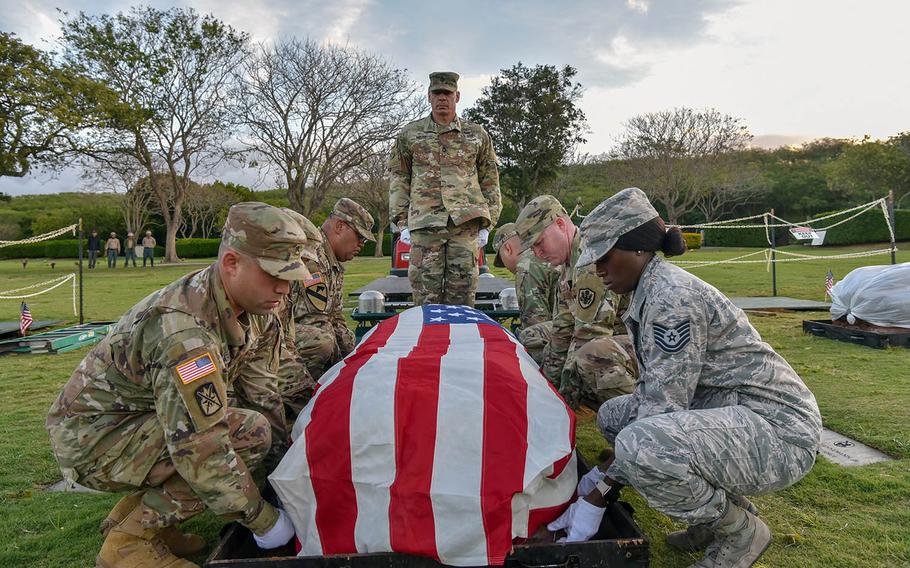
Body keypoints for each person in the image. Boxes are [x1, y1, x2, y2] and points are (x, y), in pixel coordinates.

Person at [550, 187, 822, 568]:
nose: (597, 270)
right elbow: (650, 394)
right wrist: (599, 476)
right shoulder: (650, 288)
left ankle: (739, 531)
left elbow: (662, 409)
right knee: (615, 416)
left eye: (605, 257)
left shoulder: (671, 299)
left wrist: (597, 496)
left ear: (638, 248)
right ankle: (712, 518)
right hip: (736, 412)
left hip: (780, 432)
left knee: (642, 445)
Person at [46, 202, 320, 568]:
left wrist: (280, 477)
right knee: (244, 434)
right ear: (231, 263)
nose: (285, 288)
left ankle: (145, 519)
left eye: (290, 275)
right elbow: (201, 445)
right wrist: (264, 520)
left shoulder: (255, 309)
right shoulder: (184, 333)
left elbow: (263, 395)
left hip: (137, 423)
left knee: (254, 427)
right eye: (274, 274)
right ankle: (128, 542)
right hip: (93, 439)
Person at [389, 71, 501, 307]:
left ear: (457, 96)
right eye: (437, 93)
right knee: (426, 297)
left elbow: (490, 180)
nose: (442, 98)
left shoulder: (477, 135)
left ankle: (461, 342)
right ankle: (429, 343)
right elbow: (399, 178)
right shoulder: (410, 135)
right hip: (425, 224)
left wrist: (489, 223)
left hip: (465, 224)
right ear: (429, 96)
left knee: (463, 296)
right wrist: (402, 223)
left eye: (447, 93)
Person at [514, 195, 637, 408]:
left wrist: (562, 401)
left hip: (648, 341)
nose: (537, 253)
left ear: (561, 225)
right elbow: (562, 329)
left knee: (591, 357)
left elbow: (589, 335)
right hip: (616, 340)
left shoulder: (590, 261)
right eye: (532, 248)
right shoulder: (568, 264)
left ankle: (637, 422)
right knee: (533, 336)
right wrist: (550, 390)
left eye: (539, 242)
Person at [289, 198, 374, 384]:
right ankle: (300, 395)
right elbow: (316, 320)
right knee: (320, 342)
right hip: (282, 341)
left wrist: (355, 358)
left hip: (297, 337)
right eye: (360, 237)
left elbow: (335, 317)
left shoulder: (332, 262)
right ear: (340, 227)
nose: (361, 245)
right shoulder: (313, 259)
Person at [491, 222, 560, 365]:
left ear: (507, 249)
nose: (506, 267)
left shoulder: (526, 265)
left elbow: (534, 323)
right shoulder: (547, 252)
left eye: (502, 261)